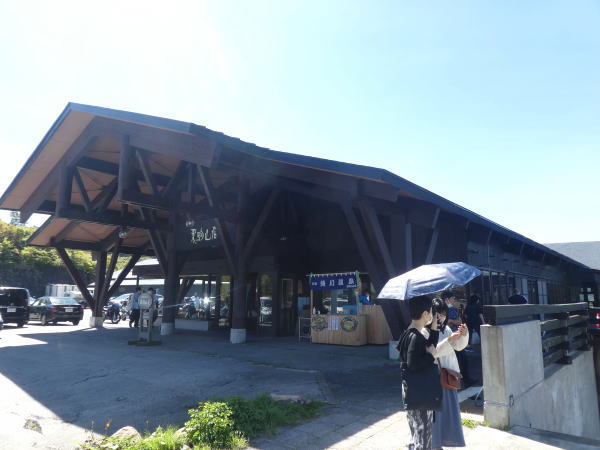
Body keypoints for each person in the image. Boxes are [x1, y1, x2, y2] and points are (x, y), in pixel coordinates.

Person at [426, 298, 469, 449]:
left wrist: (463, 335)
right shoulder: (425, 332)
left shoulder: (446, 330)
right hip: (433, 379)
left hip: (447, 377)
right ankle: (434, 444)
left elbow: (458, 346)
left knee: (448, 414)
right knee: (435, 416)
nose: (440, 318)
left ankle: (443, 442)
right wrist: (449, 340)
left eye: (443, 314)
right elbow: (432, 353)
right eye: (437, 314)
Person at [398, 295, 439, 450]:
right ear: (425, 314)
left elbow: (429, 346)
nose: (431, 315)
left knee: (416, 431)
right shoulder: (416, 337)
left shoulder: (409, 332)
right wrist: (431, 356)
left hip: (411, 390)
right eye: (430, 312)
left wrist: (434, 327)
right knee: (423, 434)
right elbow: (414, 364)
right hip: (420, 392)